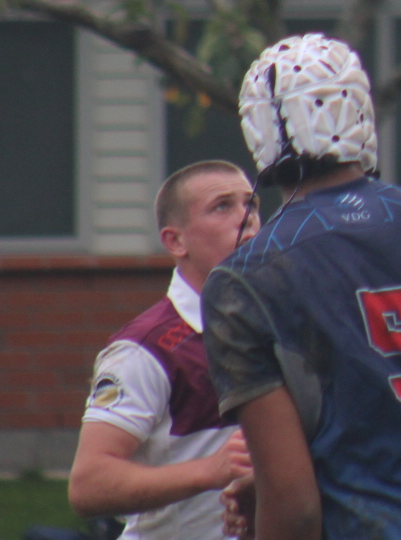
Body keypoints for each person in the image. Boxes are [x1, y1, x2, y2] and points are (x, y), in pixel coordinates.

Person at [202, 34, 401, 540]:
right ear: (360, 110)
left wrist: (272, 497)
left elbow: (296, 506)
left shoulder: (245, 280)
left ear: (259, 129)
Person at [68, 161, 259, 540]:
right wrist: (210, 471)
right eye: (222, 206)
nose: (246, 217)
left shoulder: (284, 324)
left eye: (250, 204)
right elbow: (89, 484)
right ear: (175, 242)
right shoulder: (144, 349)